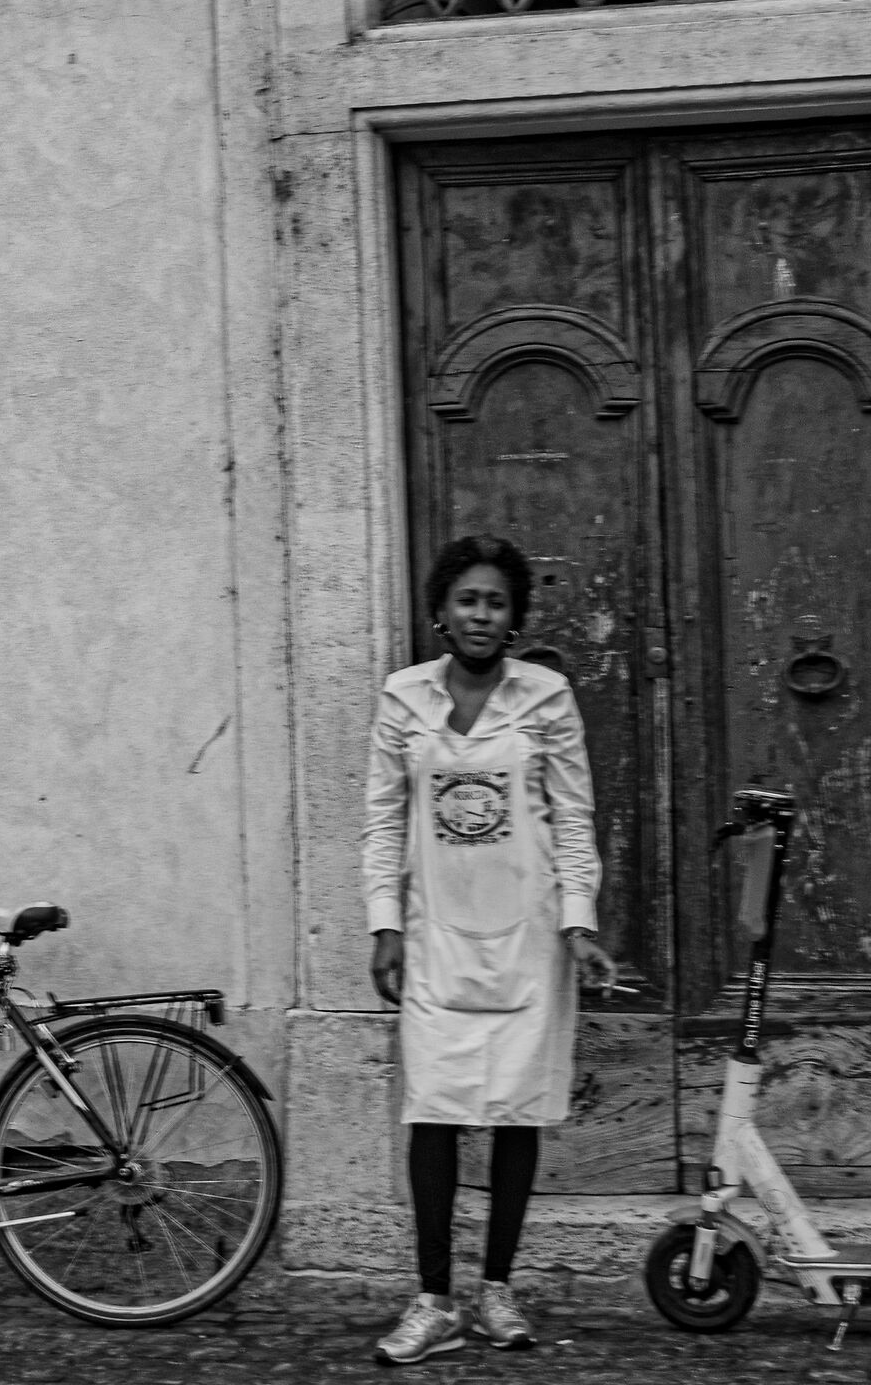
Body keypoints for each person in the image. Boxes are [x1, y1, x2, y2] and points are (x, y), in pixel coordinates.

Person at [362, 534, 618, 1365]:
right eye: (467, 600)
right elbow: (382, 821)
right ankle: (433, 1300)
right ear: (441, 610)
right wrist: (385, 924)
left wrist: (578, 924)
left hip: (527, 941)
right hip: (436, 936)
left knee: (515, 1111)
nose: (481, 615)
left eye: (496, 602)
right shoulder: (403, 699)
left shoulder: (547, 698)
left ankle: (497, 1291)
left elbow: (573, 817)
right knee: (432, 1110)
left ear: (514, 618)